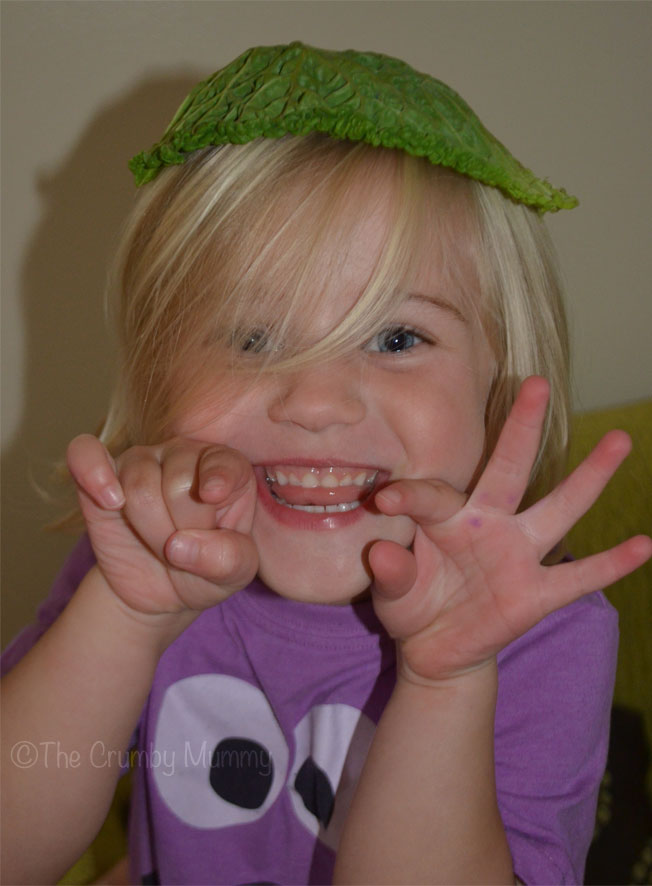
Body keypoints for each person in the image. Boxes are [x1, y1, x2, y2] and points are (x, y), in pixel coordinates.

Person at [2, 42, 650, 886]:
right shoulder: (153, 559)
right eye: (253, 337)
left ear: (500, 385)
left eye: (396, 337)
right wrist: (125, 614)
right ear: (160, 377)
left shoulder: (543, 633)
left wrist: (448, 679)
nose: (316, 402)